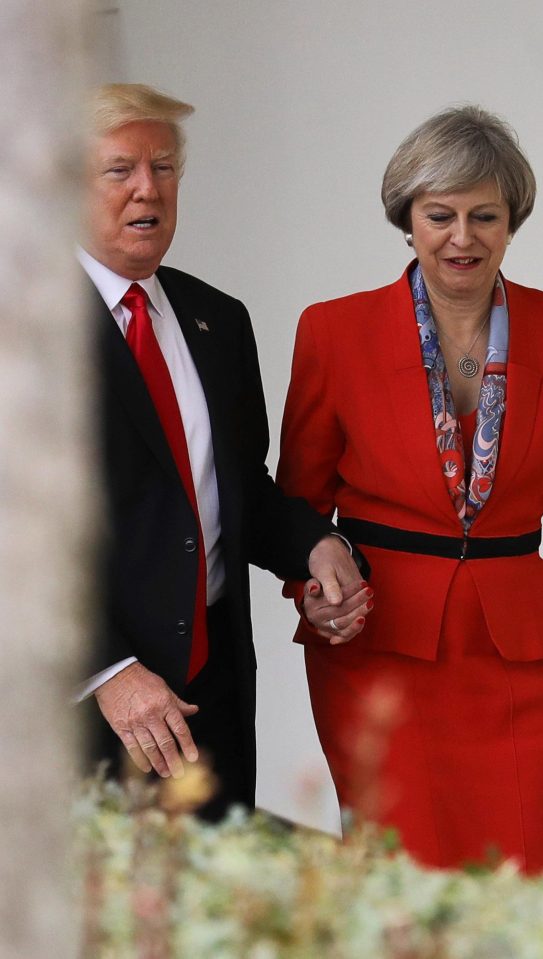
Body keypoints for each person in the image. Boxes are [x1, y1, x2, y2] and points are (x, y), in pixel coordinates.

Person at [276, 106, 543, 872]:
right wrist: (312, 587)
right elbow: (294, 512)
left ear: (513, 222)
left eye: (485, 216)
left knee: (527, 884)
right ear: (406, 219)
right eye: (439, 215)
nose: (461, 237)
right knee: (399, 886)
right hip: (376, 657)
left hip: (519, 663)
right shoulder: (332, 332)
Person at [77, 83, 368, 820]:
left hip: (214, 698)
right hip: (87, 714)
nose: (149, 188)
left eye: (165, 167)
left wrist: (316, 545)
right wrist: (106, 670)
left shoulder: (217, 319)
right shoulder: (27, 333)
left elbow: (239, 488)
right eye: (121, 170)